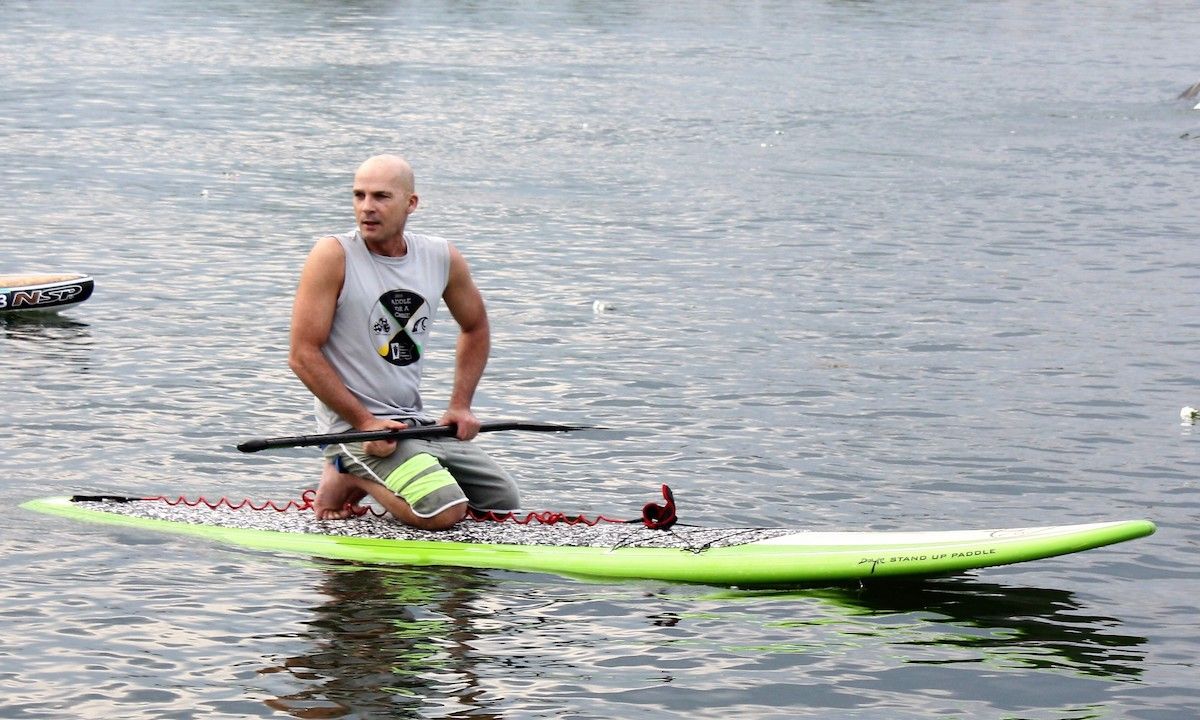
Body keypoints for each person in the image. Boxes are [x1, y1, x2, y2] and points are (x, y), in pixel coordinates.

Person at [288, 154, 519, 529]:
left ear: (411, 203)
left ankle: (389, 471)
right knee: (445, 512)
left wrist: (461, 406)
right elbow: (302, 355)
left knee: (500, 504)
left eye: (381, 196)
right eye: (358, 195)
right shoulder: (333, 255)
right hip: (354, 427)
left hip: (413, 422)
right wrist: (364, 420)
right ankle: (347, 470)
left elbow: (475, 326)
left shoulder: (440, 256)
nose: (367, 208)